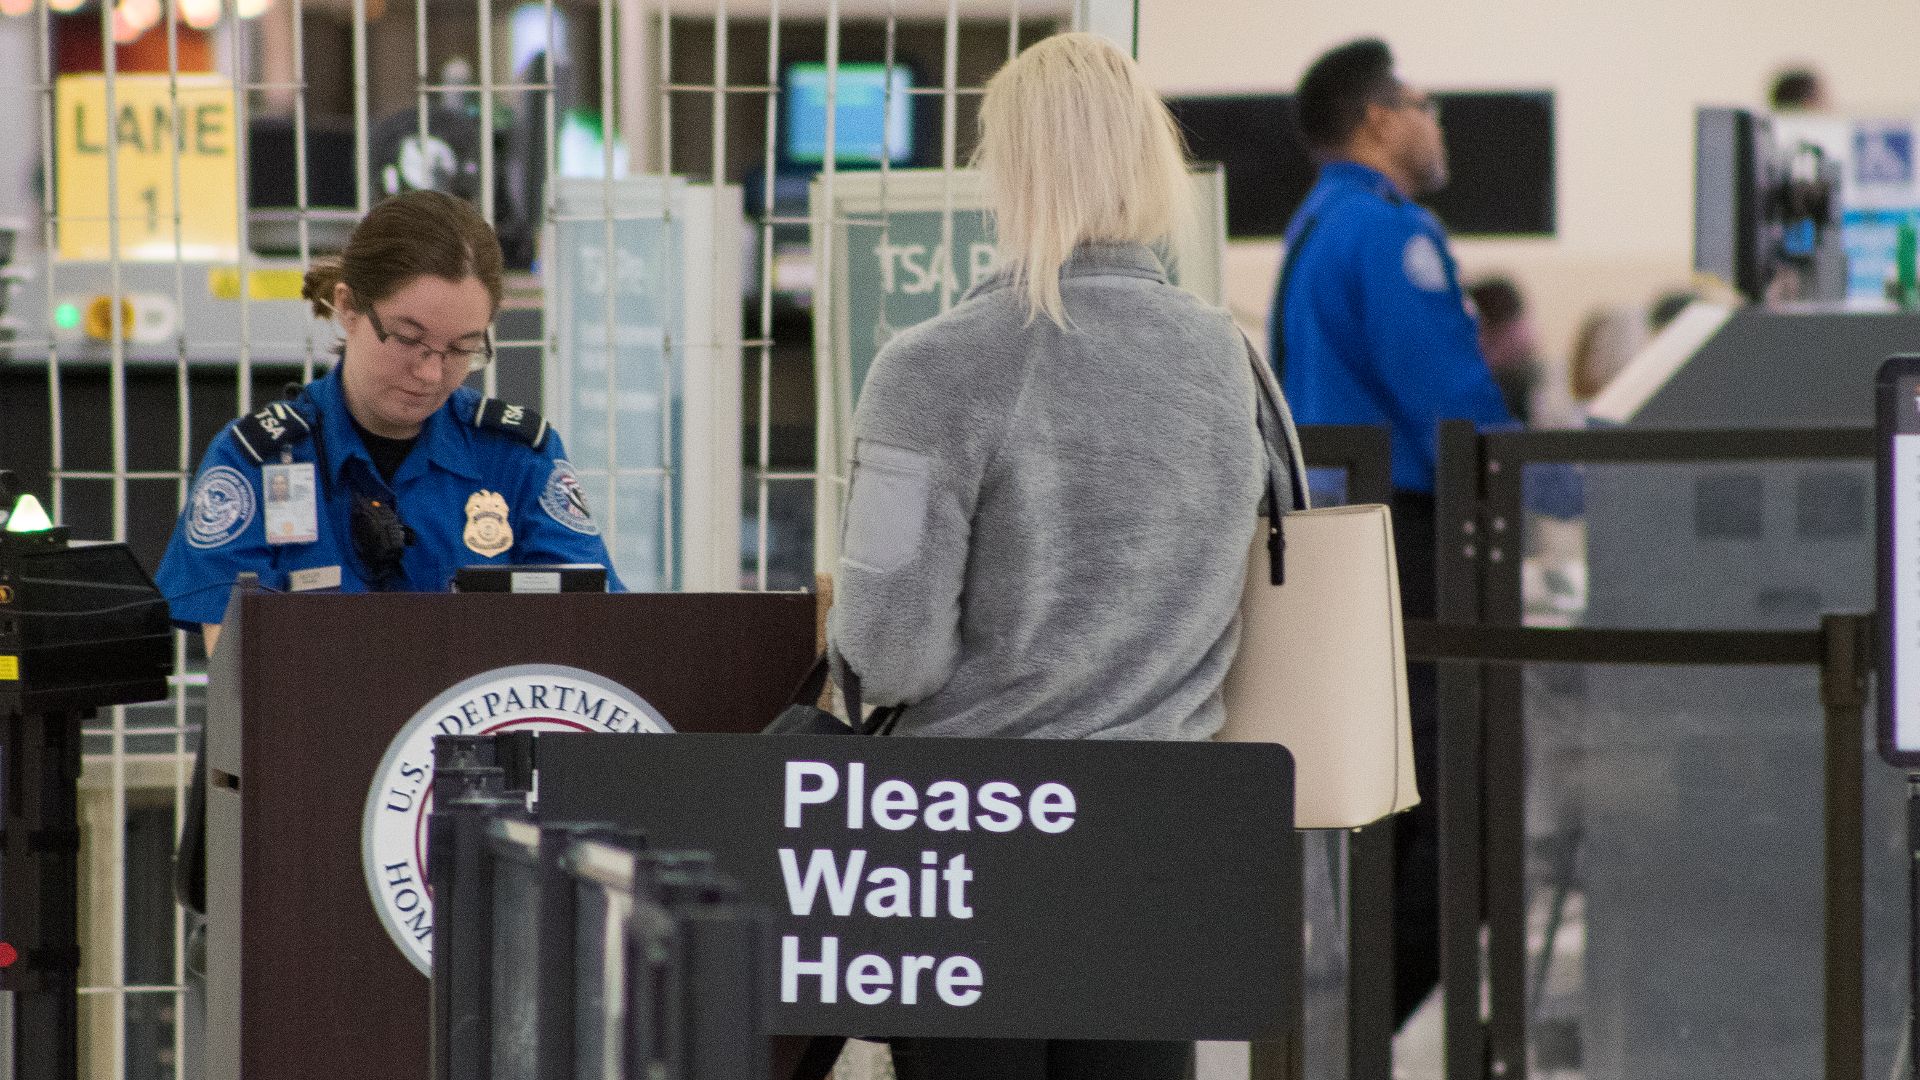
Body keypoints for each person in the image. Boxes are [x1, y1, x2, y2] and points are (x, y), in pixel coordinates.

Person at [829, 31, 1295, 1080]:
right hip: (1159, 842)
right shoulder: (1230, 360)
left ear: (1012, 168)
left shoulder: (934, 367)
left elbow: (889, 653)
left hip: (974, 853)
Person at [1269, 37, 1513, 1031]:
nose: (1436, 123)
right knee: (1461, 819)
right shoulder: (1384, 236)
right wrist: (1566, 490)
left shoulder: (1313, 228)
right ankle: (1359, 1027)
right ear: (1379, 117)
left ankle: (1351, 1024)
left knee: (1400, 811)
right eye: (1426, 104)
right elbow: (1453, 405)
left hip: (1347, 540)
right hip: (1408, 545)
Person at [155, 189, 621, 651]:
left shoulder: (516, 459)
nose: (431, 372)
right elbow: (241, 679)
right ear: (348, 307)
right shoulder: (257, 461)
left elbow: (591, 632)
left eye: (462, 349)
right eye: (406, 338)